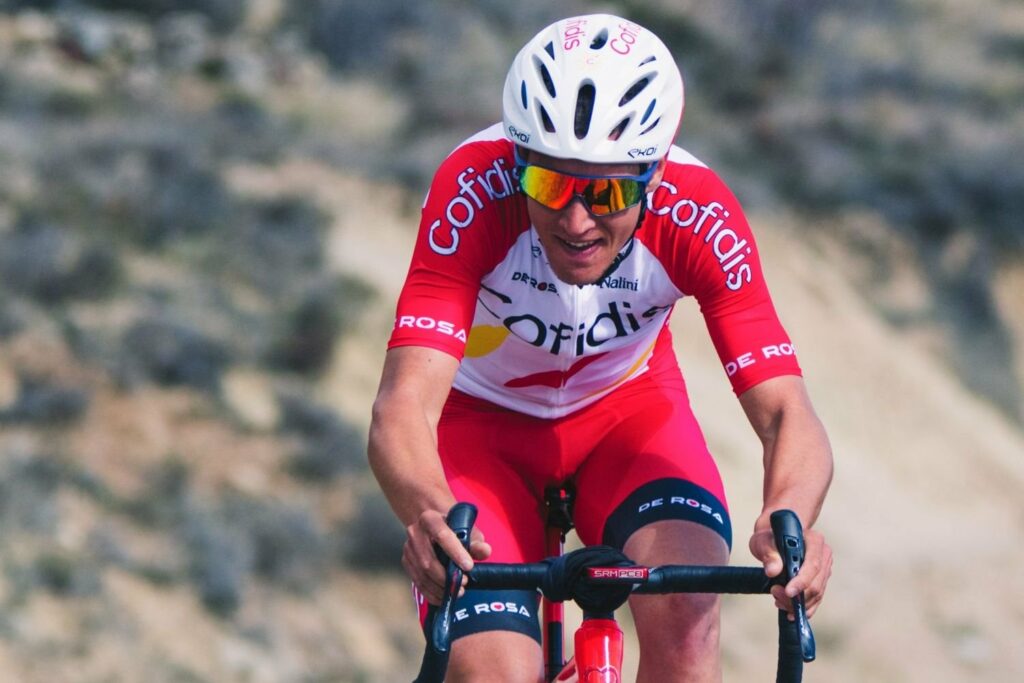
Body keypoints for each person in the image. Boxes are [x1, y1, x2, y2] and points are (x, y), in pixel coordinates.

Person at [368, 13, 833, 683]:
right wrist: (428, 512)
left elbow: (787, 409)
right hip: (480, 430)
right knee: (492, 672)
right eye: (549, 185)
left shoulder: (698, 211)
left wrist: (788, 516)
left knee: (688, 624)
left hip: (628, 417)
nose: (576, 220)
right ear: (519, 163)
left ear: (654, 173)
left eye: (609, 192)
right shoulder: (472, 189)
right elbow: (402, 404)